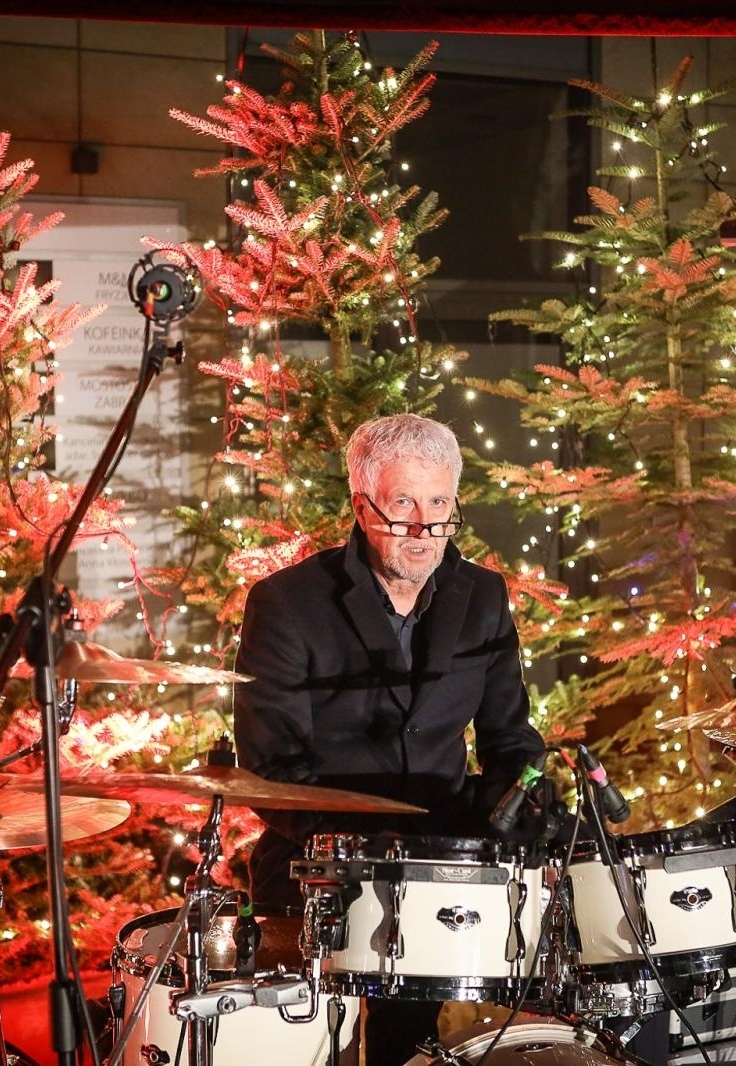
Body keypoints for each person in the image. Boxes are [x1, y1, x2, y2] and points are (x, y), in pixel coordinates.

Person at [234, 413, 546, 1066]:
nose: (423, 529)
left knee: (417, 1048)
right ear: (362, 506)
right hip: (315, 869)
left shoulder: (483, 595)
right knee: (312, 1048)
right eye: (402, 503)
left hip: (444, 870)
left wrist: (513, 820)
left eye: (438, 504)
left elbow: (509, 741)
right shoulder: (287, 603)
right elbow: (271, 766)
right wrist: (362, 849)